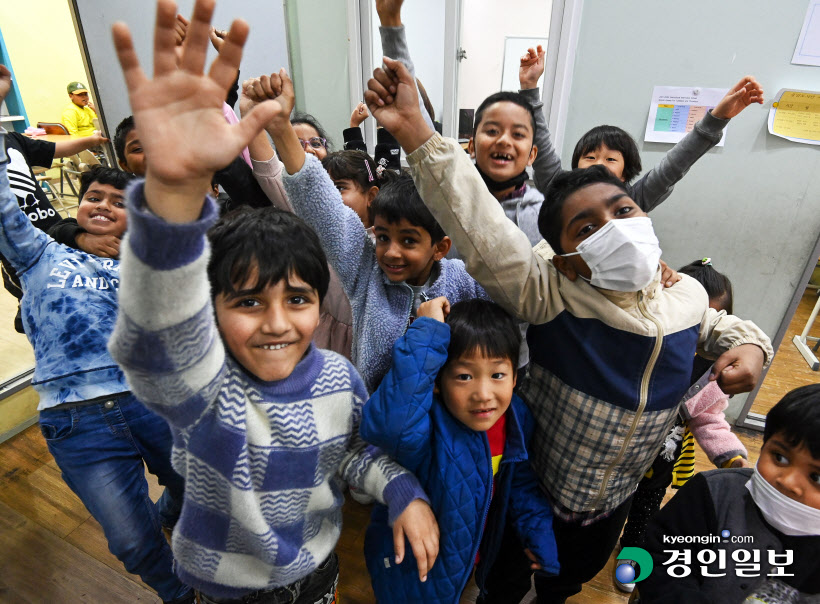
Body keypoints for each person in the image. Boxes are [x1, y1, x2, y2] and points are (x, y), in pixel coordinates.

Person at [363, 57, 773, 603]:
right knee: (505, 582)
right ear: (565, 259)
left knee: (568, 580)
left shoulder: (683, 293)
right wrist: (417, 132)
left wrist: (749, 343)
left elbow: (715, 323)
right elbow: (481, 228)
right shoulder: (553, 294)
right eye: (587, 228)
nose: (616, 230)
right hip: (537, 486)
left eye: (624, 209)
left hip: (615, 499)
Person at [107, 4, 438, 602]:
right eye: (249, 302)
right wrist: (177, 191)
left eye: (299, 299)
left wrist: (402, 490)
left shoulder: (337, 375)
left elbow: (353, 451)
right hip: (225, 585)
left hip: (315, 574)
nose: (278, 322)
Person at [0, 115, 191, 602]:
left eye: (117, 202)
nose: (103, 206)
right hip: (74, 420)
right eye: (93, 198)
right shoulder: (38, 253)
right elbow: (5, 211)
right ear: (78, 206)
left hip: (151, 400)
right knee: (131, 543)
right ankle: (182, 595)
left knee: (196, 491)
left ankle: (170, 510)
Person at [254, 68, 488, 394]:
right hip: (379, 420)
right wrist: (279, 129)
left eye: (408, 240)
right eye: (382, 237)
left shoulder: (462, 278)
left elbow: (509, 294)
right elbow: (322, 204)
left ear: (440, 247)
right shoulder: (366, 271)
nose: (390, 252)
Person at [361, 296, 560, 603]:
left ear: (515, 377)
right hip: (412, 571)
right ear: (438, 381)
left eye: (497, 375)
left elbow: (518, 481)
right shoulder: (428, 422)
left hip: (467, 562)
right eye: (464, 376)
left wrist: (538, 533)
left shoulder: (515, 417)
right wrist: (427, 330)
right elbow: (389, 426)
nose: (483, 394)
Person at [616, 258, 750, 593]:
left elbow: (708, 417)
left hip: (660, 460)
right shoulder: (648, 341)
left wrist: (730, 455)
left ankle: (631, 554)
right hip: (619, 452)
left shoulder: (714, 372)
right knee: (613, 504)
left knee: (647, 507)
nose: (697, 332)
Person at [518, 45, 764, 220]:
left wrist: (716, 119)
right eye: (590, 157)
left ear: (625, 174)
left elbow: (674, 166)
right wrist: (529, 87)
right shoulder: (556, 186)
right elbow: (540, 141)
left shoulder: (634, 199)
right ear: (575, 166)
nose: (598, 164)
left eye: (610, 159)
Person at [638, 384, 820, 603]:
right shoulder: (711, 494)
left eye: (816, 477)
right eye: (780, 457)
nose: (788, 481)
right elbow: (658, 556)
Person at [0, 66, 110, 331]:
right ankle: (29, 310)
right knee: (35, 289)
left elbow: (55, 149)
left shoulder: (13, 139)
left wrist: (91, 140)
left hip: (52, 228)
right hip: (18, 247)